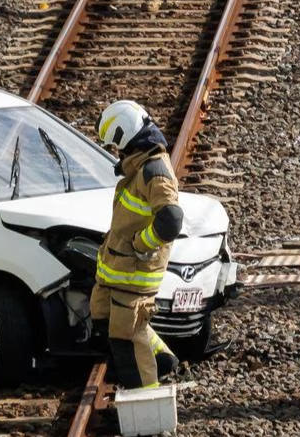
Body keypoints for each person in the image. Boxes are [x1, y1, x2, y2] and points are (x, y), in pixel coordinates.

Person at [90, 100, 184, 388]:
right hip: (117, 269)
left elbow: (171, 219)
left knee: (127, 336)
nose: (117, 153)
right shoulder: (139, 166)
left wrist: (142, 245)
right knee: (102, 316)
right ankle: (163, 359)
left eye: (116, 146)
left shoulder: (153, 170)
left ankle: (147, 403)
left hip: (134, 272)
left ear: (124, 137)